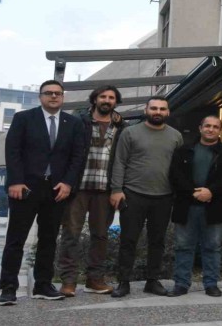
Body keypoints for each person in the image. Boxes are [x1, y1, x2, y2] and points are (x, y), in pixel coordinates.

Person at [0, 80, 86, 306]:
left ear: (63, 97)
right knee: (16, 240)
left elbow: (78, 157)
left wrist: (68, 183)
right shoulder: (24, 118)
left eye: (58, 93)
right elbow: (13, 151)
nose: (53, 96)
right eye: (49, 93)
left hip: (56, 190)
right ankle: (8, 288)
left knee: (48, 239)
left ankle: (43, 285)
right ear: (40, 97)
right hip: (25, 188)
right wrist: (16, 181)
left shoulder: (73, 123)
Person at [109, 96, 183, 298]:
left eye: (162, 109)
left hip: (164, 196)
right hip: (133, 194)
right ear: (146, 110)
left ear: (167, 112)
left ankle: (152, 281)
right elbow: (119, 162)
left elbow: (179, 167)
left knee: (157, 241)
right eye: (154, 108)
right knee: (128, 240)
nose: (158, 112)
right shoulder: (130, 132)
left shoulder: (176, 136)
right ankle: (123, 282)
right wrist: (116, 189)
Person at [58, 85, 125, 297]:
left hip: (105, 189)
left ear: (116, 102)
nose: (107, 100)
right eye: (103, 96)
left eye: (111, 97)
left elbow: (123, 160)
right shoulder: (78, 121)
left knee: (101, 236)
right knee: (71, 234)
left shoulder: (122, 126)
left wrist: (118, 188)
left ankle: (95, 279)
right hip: (78, 187)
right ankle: (68, 281)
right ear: (95, 99)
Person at [166, 116, 222, 298]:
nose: (210, 129)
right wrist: (194, 192)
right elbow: (175, 175)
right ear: (200, 128)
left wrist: (211, 191)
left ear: (220, 130)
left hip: (215, 206)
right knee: (183, 246)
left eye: (215, 127)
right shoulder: (183, 151)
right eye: (207, 126)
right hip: (186, 205)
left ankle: (211, 284)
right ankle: (181, 284)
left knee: (212, 247)